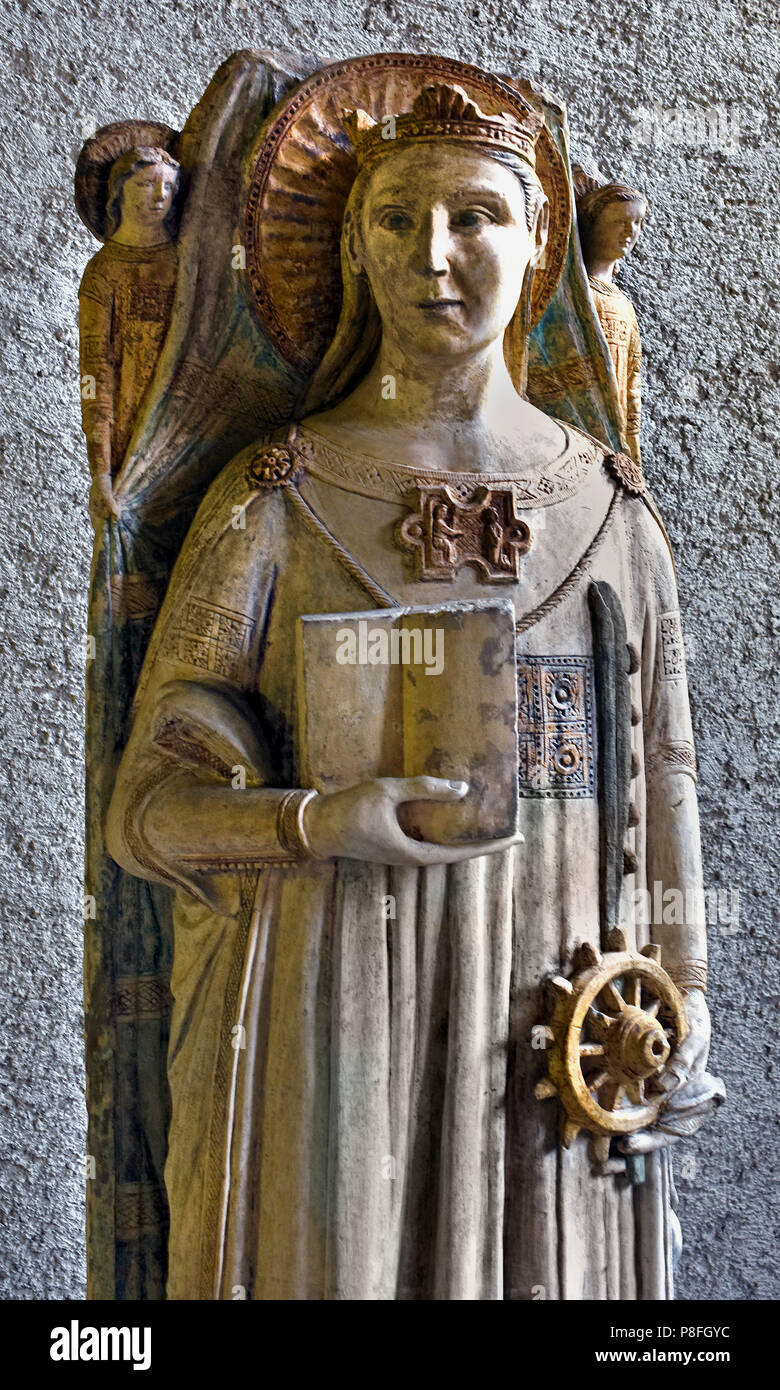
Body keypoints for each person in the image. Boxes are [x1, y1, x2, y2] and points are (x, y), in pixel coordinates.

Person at [107, 82, 721, 1300]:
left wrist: (684, 991)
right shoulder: (273, 496)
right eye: (394, 219)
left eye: (477, 216)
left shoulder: (610, 514)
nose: (432, 256)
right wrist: (311, 822)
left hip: (557, 1022)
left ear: (540, 243)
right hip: (331, 1019)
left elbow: (664, 771)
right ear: (347, 242)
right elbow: (146, 808)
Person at [78, 146, 180, 527]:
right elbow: (94, 370)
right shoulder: (104, 273)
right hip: (127, 437)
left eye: (169, 187)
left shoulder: (183, 262)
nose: (160, 197)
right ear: (120, 190)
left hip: (179, 427)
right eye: (147, 184)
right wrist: (101, 472)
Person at [575, 168, 648, 464]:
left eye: (637, 223)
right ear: (592, 225)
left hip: (613, 451)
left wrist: (631, 456)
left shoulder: (623, 306)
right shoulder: (571, 296)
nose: (629, 231)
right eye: (619, 222)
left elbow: (631, 384)